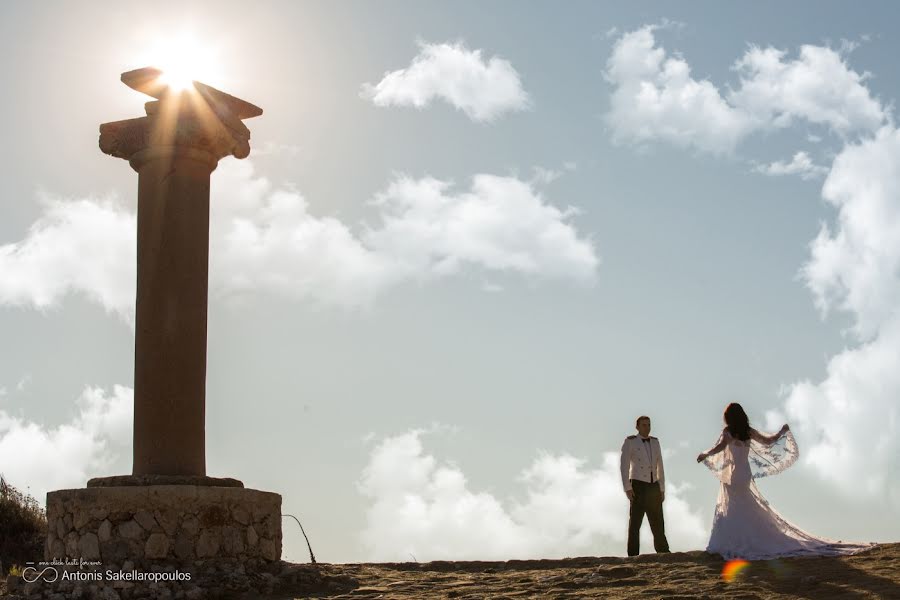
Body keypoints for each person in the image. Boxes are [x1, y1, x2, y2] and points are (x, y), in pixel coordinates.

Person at [696, 402, 875, 560]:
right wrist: (781, 432)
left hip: (734, 476)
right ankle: (746, 538)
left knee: (734, 508)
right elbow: (768, 441)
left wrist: (705, 454)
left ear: (728, 418)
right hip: (745, 475)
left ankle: (733, 541)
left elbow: (718, 448)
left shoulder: (727, 433)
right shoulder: (748, 432)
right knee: (746, 507)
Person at [620, 415, 670, 556]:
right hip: (638, 485)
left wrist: (662, 488)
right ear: (637, 427)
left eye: (648, 425)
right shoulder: (630, 442)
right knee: (635, 522)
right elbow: (624, 466)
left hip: (653, 484)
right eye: (643, 425)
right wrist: (627, 488)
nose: (647, 428)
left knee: (658, 521)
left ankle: (663, 551)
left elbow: (660, 466)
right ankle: (633, 554)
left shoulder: (655, 442)